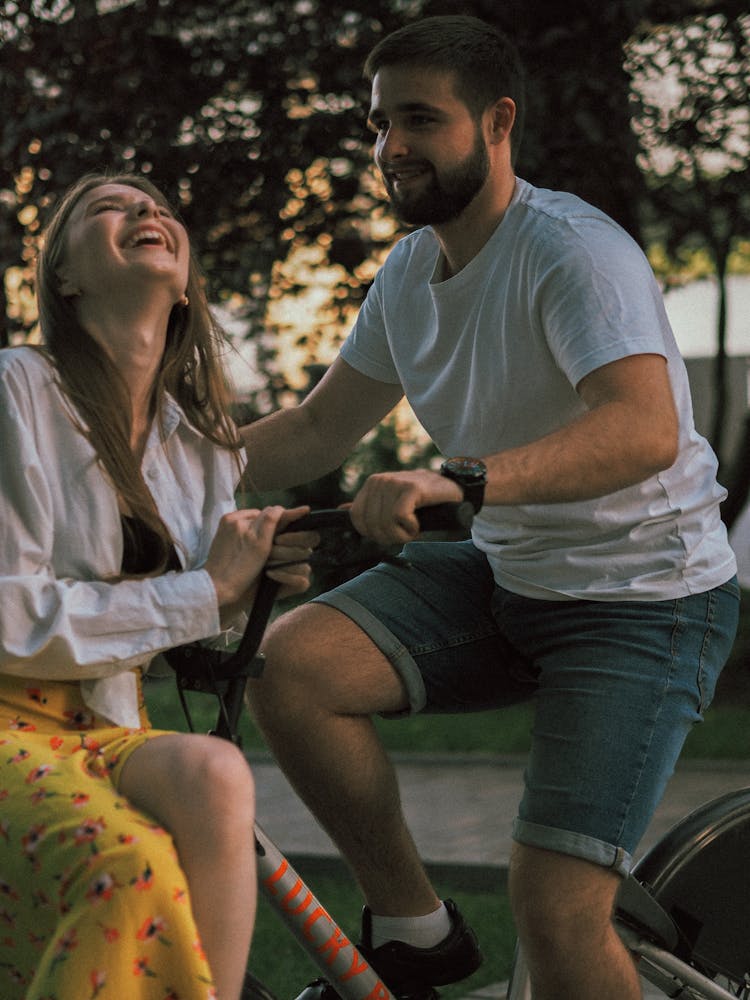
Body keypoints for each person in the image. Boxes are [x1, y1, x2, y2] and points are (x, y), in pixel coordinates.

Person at [241, 15, 740, 1000]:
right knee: (292, 664)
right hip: (511, 572)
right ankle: (418, 930)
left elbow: (641, 429)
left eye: (419, 120)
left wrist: (456, 479)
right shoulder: (408, 275)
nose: (391, 148)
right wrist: (142, 478)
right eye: (379, 124)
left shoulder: (570, 252)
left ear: (497, 121)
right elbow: (311, 431)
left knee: (556, 918)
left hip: (641, 603)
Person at [0, 173, 316, 1000]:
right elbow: (7, 613)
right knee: (131, 868)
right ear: (63, 279)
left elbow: (184, 626)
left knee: (216, 773)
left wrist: (249, 587)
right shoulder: (15, 389)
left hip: (106, 723)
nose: (146, 211)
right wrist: (206, 590)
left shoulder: (200, 447)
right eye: (109, 206)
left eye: (160, 206)